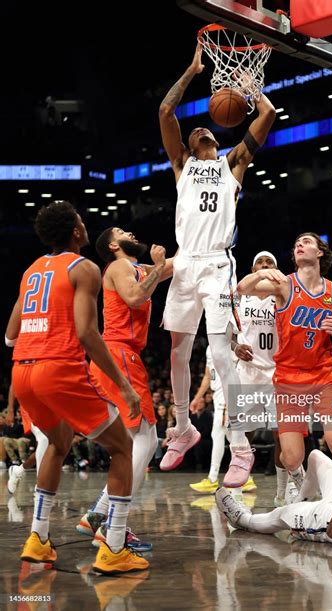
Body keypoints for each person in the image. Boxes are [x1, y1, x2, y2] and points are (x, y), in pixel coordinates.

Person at [5, 201, 148, 574]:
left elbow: (9, 335)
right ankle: (114, 546)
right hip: (58, 368)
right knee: (123, 446)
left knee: (57, 443)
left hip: (23, 370)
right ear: (75, 232)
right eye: (82, 222)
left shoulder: (32, 269)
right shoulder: (83, 267)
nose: (86, 226)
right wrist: (124, 386)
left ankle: (38, 538)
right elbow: (87, 332)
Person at [158, 42, 276, 486]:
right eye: (196, 133)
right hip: (186, 262)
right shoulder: (181, 165)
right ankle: (184, 429)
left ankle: (241, 449)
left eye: (206, 131)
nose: (201, 131)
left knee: (222, 351)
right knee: (177, 350)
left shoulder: (233, 165)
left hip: (217, 265)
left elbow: (268, 117)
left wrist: (250, 87)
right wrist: (191, 72)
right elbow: (166, 113)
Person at [236, 233, 332, 494]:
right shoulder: (285, 285)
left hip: (325, 376)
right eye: (296, 245)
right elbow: (242, 289)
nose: (299, 246)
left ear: (320, 253)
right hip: (290, 380)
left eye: (306, 242)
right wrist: (263, 273)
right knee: (291, 457)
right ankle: (300, 487)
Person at [76, 226, 174, 551]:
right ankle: (113, 523)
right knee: (146, 442)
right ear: (115, 245)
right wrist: (159, 267)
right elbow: (135, 295)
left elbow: (173, 266)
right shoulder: (119, 267)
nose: (131, 231)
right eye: (121, 231)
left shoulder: (136, 268)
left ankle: (97, 515)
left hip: (119, 355)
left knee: (131, 442)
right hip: (120, 353)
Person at [233, 251, 291, 506]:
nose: (265, 265)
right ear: (252, 267)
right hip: (247, 374)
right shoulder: (240, 297)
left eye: (270, 263)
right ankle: (236, 489)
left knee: (283, 435)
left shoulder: (283, 297)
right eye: (260, 262)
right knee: (243, 434)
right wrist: (234, 346)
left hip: (277, 374)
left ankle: (281, 493)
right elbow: (226, 330)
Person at [188, 346, 256, 493]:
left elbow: (237, 372)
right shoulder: (208, 347)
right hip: (217, 395)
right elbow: (208, 376)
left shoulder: (229, 345)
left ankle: (213, 479)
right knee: (233, 438)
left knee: (218, 434)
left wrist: (229, 403)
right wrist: (197, 398)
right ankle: (247, 478)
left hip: (228, 396)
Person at [6, 384, 49, 494]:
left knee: (51, 446)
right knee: (43, 439)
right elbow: (14, 383)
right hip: (30, 404)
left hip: (50, 402)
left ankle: (18, 470)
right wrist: (10, 409)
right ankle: (41, 485)